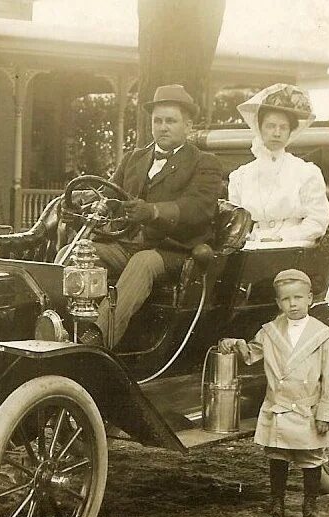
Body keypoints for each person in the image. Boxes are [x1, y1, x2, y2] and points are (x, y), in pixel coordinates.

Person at [65, 84, 223, 348]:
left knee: (143, 263)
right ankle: (58, 324)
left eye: (171, 121)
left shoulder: (204, 163)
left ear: (188, 126)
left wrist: (153, 211)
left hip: (174, 251)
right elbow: (108, 196)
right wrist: (87, 206)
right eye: (157, 121)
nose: (163, 127)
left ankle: (97, 341)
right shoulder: (133, 159)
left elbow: (198, 208)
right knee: (79, 252)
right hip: (127, 244)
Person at [218, 269, 329, 517]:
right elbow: (252, 354)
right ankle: (277, 503)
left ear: (310, 299)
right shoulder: (270, 332)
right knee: (278, 455)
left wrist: (325, 412)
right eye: (286, 299)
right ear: (278, 303)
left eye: (298, 298)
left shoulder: (322, 335)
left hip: (307, 409)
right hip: (280, 407)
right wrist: (235, 344)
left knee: (311, 458)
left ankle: (310, 506)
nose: (292, 304)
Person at [228, 84, 329, 246]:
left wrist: (283, 237)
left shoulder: (306, 172)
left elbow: (317, 221)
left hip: (293, 244)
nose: (277, 133)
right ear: (259, 128)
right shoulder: (241, 176)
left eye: (283, 127)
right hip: (252, 244)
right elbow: (236, 221)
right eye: (270, 126)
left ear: (291, 131)